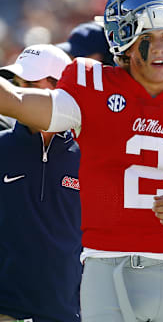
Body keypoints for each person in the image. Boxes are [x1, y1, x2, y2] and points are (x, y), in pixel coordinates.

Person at [0, 0, 163, 322]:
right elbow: (16, 101)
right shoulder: (90, 86)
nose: (161, 47)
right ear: (123, 40)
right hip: (104, 268)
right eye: (147, 37)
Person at [0, 44, 82, 322]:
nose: (19, 90)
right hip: (7, 311)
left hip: (71, 312)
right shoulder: (1, 147)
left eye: (29, 83)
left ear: (60, 90)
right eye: (17, 83)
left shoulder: (89, 156)